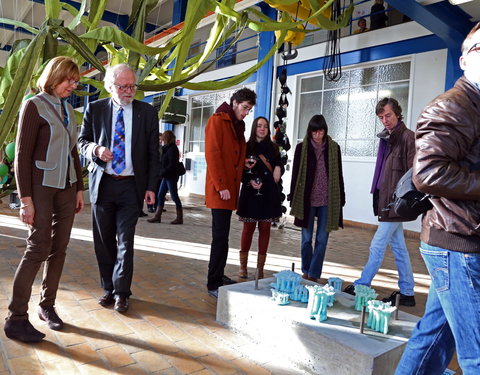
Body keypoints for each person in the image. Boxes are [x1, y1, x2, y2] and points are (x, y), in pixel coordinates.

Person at [395, 22, 480, 375]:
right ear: (464, 59)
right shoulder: (453, 106)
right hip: (456, 243)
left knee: (432, 341)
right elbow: (428, 172)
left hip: (462, 238)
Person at [4, 56, 85, 342]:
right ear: (54, 77)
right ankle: (16, 318)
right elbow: (22, 155)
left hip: (67, 186)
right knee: (38, 248)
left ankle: (47, 306)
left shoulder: (68, 108)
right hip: (40, 187)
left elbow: (73, 151)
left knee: (59, 248)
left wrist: (78, 189)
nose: (72, 86)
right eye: (68, 80)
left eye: (75, 82)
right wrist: (25, 200)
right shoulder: (34, 105)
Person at [78, 64, 159, 313]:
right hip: (103, 184)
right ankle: (108, 289)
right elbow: (81, 142)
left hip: (131, 187)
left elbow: (153, 154)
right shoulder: (95, 109)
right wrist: (96, 150)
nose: (129, 91)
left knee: (126, 241)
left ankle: (122, 292)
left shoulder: (146, 112)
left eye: (132, 85)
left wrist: (151, 187)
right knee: (103, 242)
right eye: (123, 86)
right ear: (110, 86)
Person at [343, 98, 416, 306]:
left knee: (377, 244)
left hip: (396, 202)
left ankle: (362, 284)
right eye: (381, 117)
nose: (385, 120)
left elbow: (413, 173)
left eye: (388, 115)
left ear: (398, 114)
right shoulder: (387, 139)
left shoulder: (408, 138)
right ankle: (408, 292)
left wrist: (403, 200)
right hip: (385, 199)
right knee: (399, 247)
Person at [205, 87, 257, 298]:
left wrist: (243, 164)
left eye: (249, 109)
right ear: (235, 102)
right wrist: (221, 185)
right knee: (219, 237)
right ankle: (212, 283)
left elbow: (233, 153)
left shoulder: (238, 125)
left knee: (224, 237)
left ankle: (219, 276)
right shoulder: (218, 120)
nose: (246, 112)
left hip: (230, 189)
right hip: (221, 190)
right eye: (245, 108)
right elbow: (213, 154)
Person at [289, 115, 345, 282]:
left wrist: (341, 197)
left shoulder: (334, 148)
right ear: (310, 131)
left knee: (322, 239)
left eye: (320, 131)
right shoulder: (302, 148)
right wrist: (293, 196)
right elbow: (295, 175)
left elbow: (339, 175)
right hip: (307, 199)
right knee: (306, 238)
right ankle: (305, 268)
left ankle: (313, 273)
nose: (317, 135)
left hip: (327, 200)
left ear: (325, 130)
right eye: (314, 131)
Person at [236, 117, 282, 279]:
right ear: (254, 128)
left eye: (265, 126)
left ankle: (260, 268)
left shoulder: (274, 148)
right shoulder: (246, 147)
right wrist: (248, 180)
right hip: (250, 193)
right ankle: (243, 266)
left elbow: (279, 163)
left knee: (265, 229)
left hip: (268, 194)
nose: (262, 129)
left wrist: (278, 167)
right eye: (259, 126)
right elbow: (239, 170)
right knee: (247, 229)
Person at [148, 130, 183, 224]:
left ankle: (179, 218)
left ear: (167, 138)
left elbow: (171, 165)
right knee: (160, 195)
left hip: (170, 176)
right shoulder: (167, 148)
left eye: (164, 137)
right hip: (166, 176)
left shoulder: (173, 149)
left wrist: (162, 172)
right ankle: (157, 216)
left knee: (174, 196)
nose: (162, 139)